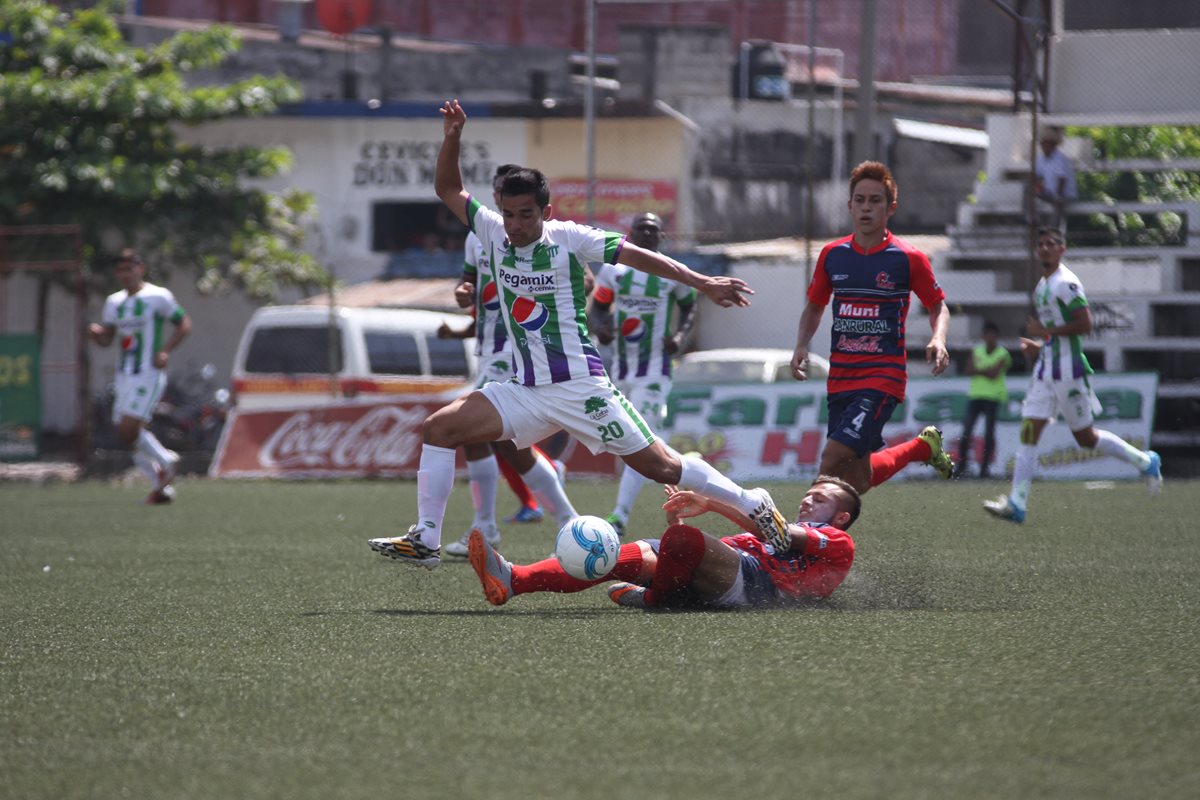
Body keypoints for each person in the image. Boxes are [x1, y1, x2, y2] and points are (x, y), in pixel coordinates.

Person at [368, 99, 789, 570]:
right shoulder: (490, 233)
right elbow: (447, 187)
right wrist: (452, 137)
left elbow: (639, 257)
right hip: (525, 390)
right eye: (508, 213)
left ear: (546, 211)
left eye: (526, 214)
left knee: (662, 468)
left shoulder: (571, 238)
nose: (515, 224)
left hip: (581, 388)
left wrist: (701, 281)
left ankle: (751, 501)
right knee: (439, 428)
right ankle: (426, 537)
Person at [436, 163, 579, 558]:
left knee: (483, 435)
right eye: (499, 195)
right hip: (485, 348)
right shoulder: (478, 238)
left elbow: (567, 284)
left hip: (513, 351)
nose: (501, 201)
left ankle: (556, 523)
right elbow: (472, 286)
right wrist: (464, 293)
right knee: (486, 441)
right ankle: (497, 527)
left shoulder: (541, 242)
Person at [790, 160, 954, 495]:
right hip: (840, 379)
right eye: (860, 200)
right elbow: (815, 306)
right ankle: (923, 448)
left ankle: (803, 539)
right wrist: (801, 346)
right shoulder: (832, 255)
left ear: (890, 208)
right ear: (850, 206)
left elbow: (937, 305)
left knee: (832, 459)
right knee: (856, 480)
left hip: (882, 378)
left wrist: (938, 338)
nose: (866, 207)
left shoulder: (908, 258)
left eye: (875, 200)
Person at [467, 476, 860, 611]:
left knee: (682, 540)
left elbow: (778, 536)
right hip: (731, 573)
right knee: (621, 557)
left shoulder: (839, 542)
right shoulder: (777, 529)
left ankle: (657, 599)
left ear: (841, 517)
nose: (808, 499)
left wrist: (710, 505)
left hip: (760, 588)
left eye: (820, 498)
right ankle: (513, 580)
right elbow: (748, 539)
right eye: (809, 494)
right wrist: (682, 523)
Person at [984, 228, 1162, 523]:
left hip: (1069, 371)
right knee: (1029, 432)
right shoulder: (1042, 285)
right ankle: (1018, 503)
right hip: (1046, 370)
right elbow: (1059, 334)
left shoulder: (1066, 283)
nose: (1044, 249)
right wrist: (1040, 345)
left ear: (1062, 249)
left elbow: (1085, 324)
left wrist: (1044, 333)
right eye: (1040, 244)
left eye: (1050, 244)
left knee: (1086, 438)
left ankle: (1145, 461)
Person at [589, 211, 697, 536]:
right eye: (642, 229)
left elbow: (689, 305)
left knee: (641, 440)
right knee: (627, 444)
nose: (648, 234)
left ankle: (620, 516)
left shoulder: (671, 273)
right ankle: (692, 472)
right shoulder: (614, 270)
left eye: (654, 229)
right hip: (619, 372)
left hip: (654, 372)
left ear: (661, 236)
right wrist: (600, 326)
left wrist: (679, 337)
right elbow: (597, 306)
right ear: (631, 234)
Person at [88, 249, 192, 504]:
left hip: (148, 372)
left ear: (140, 269)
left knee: (128, 426)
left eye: (130, 268)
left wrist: (166, 350)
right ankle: (161, 487)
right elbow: (108, 339)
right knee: (127, 433)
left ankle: (167, 460)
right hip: (124, 373)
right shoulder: (114, 302)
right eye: (121, 270)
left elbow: (184, 323)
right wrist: (97, 333)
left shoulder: (158, 296)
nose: (125, 274)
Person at [954, 321, 1012, 479]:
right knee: (966, 432)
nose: (990, 338)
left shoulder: (1003, 353)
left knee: (988, 434)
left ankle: (984, 469)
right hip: (975, 396)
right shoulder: (977, 350)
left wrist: (979, 370)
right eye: (987, 335)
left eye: (993, 335)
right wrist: (985, 370)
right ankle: (962, 467)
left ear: (997, 336)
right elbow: (968, 370)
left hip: (993, 397)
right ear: (984, 336)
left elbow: (993, 373)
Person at [1033, 125, 1077, 229]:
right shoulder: (1040, 158)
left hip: (1063, 194)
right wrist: (1038, 187)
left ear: (1053, 145)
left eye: (1047, 143)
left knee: (1058, 204)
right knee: (1028, 188)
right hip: (1049, 192)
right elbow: (1037, 175)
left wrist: (1057, 196)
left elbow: (1061, 180)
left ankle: (1054, 229)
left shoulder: (1060, 158)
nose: (1044, 146)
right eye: (1043, 143)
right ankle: (1031, 218)